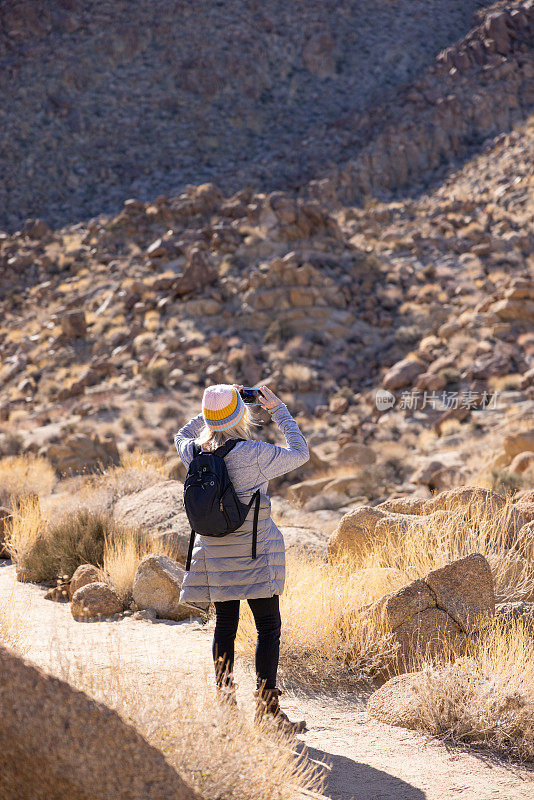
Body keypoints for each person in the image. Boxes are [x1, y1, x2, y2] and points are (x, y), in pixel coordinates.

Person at [174, 383, 309, 733]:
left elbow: (181, 434)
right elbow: (300, 452)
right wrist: (277, 408)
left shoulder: (194, 453)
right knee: (267, 627)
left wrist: (209, 411)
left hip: (215, 557)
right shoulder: (254, 453)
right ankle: (267, 711)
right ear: (241, 413)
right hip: (254, 555)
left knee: (225, 627)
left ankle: (226, 706)